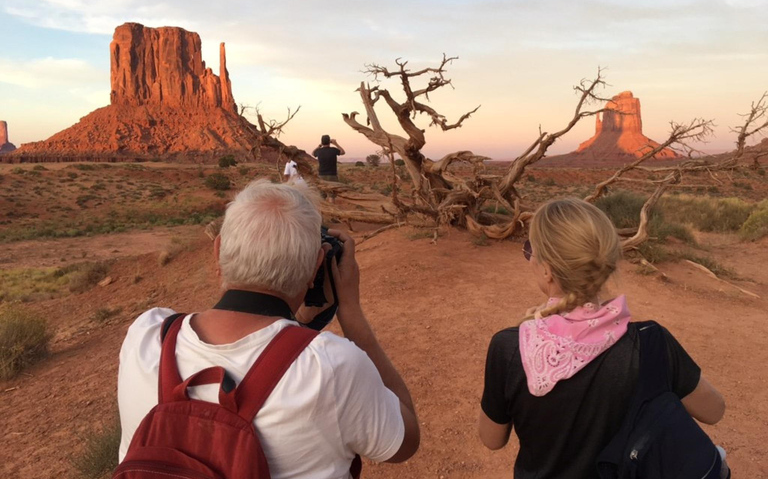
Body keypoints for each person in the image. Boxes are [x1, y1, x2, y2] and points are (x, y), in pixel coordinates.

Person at [117, 180, 419, 478]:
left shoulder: (148, 335)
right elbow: (405, 442)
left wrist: (297, 324)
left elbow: (250, 349)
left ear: (219, 249)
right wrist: (351, 314)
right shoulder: (331, 367)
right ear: (316, 265)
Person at [478, 198, 728, 479]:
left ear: (547, 269)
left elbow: (492, 439)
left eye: (530, 251)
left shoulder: (509, 348)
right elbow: (714, 410)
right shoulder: (651, 342)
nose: (530, 259)